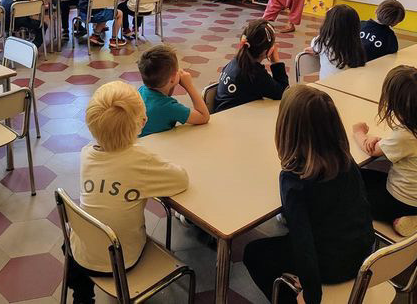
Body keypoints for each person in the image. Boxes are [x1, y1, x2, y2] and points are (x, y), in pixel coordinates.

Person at [243, 85, 374, 304]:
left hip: (330, 265)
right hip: (363, 257)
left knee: (253, 253)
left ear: (285, 129)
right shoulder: (345, 159)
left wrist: (312, 296)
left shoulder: (294, 180)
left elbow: (303, 244)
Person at [68, 81, 188, 304]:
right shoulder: (140, 161)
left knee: (78, 236)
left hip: (80, 253)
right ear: (142, 122)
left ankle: (82, 296)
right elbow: (181, 180)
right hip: (123, 259)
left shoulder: (86, 154)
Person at [353, 66, 417, 236]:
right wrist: (379, 140)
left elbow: (371, 151)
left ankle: (398, 217)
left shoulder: (404, 136)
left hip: (399, 201)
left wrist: (359, 132)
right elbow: (393, 146)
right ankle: (408, 215)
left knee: (350, 187)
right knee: (362, 175)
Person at [214, 19, 289, 112]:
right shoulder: (254, 73)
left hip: (221, 114)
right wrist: (276, 62)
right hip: (234, 120)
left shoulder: (236, 61)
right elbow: (284, 93)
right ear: (268, 51)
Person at [137, 45, 210, 137]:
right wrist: (189, 86)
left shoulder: (141, 91)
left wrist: (172, 82)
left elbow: (165, 94)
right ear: (172, 78)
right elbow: (204, 116)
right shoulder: (169, 107)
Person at [309, 4, 366, 80]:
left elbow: (314, 45)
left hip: (327, 87)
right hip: (350, 86)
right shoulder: (355, 44)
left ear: (329, 24)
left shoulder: (323, 42)